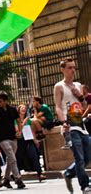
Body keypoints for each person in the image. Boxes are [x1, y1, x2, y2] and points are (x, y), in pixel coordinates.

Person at [54, 58, 91, 193]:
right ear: (62, 69)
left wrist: (80, 96)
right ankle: (85, 186)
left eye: (74, 67)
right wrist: (63, 122)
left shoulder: (78, 85)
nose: (73, 70)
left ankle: (69, 173)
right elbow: (58, 107)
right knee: (79, 158)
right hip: (70, 126)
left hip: (81, 125)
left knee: (87, 156)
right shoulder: (59, 86)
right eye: (69, 68)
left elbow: (85, 106)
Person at [0, 91, 25, 189]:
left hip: (13, 137)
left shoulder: (13, 109)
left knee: (10, 159)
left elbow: (19, 121)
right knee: (13, 159)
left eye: (0, 101)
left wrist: (20, 131)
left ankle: (6, 179)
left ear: (5, 101)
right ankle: (18, 179)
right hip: (2, 138)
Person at [16, 104, 46, 182]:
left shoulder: (28, 120)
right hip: (20, 140)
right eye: (22, 108)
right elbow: (18, 131)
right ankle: (17, 176)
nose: (24, 109)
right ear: (18, 110)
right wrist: (23, 122)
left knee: (34, 155)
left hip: (29, 139)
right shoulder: (16, 120)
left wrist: (35, 141)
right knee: (19, 158)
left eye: (25, 108)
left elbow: (30, 130)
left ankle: (40, 174)